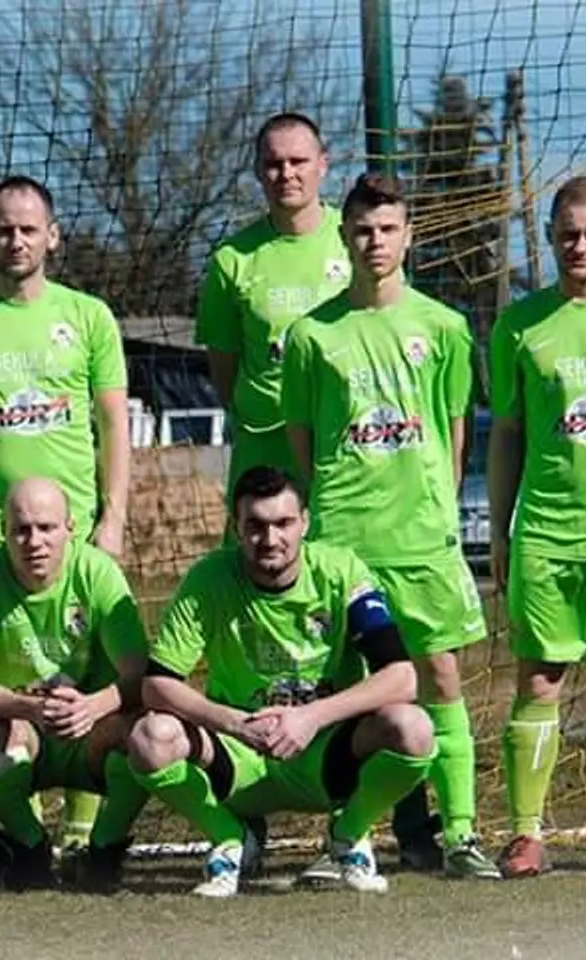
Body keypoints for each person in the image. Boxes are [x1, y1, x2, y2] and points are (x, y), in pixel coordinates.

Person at [282, 173, 499, 878]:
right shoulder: (310, 335)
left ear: (409, 236)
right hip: (344, 541)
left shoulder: (445, 328)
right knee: (347, 691)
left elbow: (454, 433)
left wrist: (431, 507)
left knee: (441, 676)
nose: (374, 241)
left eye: (387, 229)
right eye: (362, 230)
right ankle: (350, 838)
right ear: (343, 237)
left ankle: (461, 835)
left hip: (422, 539)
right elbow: (305, 444)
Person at [0, 175, 130, 847]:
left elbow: (114, 424)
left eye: (29, 229)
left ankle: (83, 831)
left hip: (74, 531)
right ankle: (29, 834)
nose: (17, 240)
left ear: (53, 236)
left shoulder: (89, 316)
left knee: (87, 669)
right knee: (8, 686)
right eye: (4, 229)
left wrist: (114, 516)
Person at [128, 466, 436, 897]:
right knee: (150, 737)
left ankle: (347, 835)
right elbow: (156, 685)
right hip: (240, 758)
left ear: (305, 522)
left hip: (327, 758)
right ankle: (231, 838)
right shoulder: (208, 579)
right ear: (236, 527)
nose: (270, 538)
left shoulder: (342, 572)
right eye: (255, 525)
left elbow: (402, 678)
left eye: (283, 523)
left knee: (413, 727)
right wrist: (235, 723)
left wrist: (310, 718)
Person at [0, 477, 150, 888]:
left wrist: (92, 706)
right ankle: (30, 846)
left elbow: (141, 674)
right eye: (21, 530)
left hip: (92, 731)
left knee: (148, 734)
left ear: (70, 528)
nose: (34, 541)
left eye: (46, 528)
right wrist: (31, 708)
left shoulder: (98, 571)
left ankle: (104, 849)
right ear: (3, 532)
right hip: (26, 733)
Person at [487, 174, 586, 877]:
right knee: (540, 682)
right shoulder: (519, 326)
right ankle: (526, 834)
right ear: (550, 238)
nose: (580, 245)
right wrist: (499, 529)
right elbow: (507, 434)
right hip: (548, 532)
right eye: (568, 233)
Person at [195, 111, 349, 497]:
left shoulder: (355, 241)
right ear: (258, 171)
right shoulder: (232, 260)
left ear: (323, 165)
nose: (286, 174)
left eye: (298, 161)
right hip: (265, 447)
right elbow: (225, 372)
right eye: (274, 164)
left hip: (344, 439)